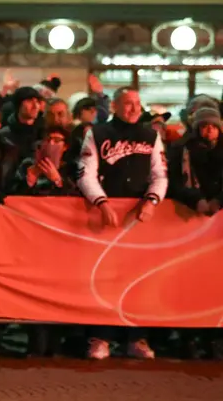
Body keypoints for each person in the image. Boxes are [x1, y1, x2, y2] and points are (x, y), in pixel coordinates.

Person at [77, 87, 167, 360]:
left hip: (139, 219)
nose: (134, 108)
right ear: (114, 106)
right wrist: (101, 202)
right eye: (128, 103)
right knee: (102, 277)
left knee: (138, 278)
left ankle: (136, 337)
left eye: (137, 103)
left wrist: (152, 201)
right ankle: (100, 336)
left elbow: (160, 175)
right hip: (104, 217)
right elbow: (85, 174)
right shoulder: (98, 133)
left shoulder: (151, 135)